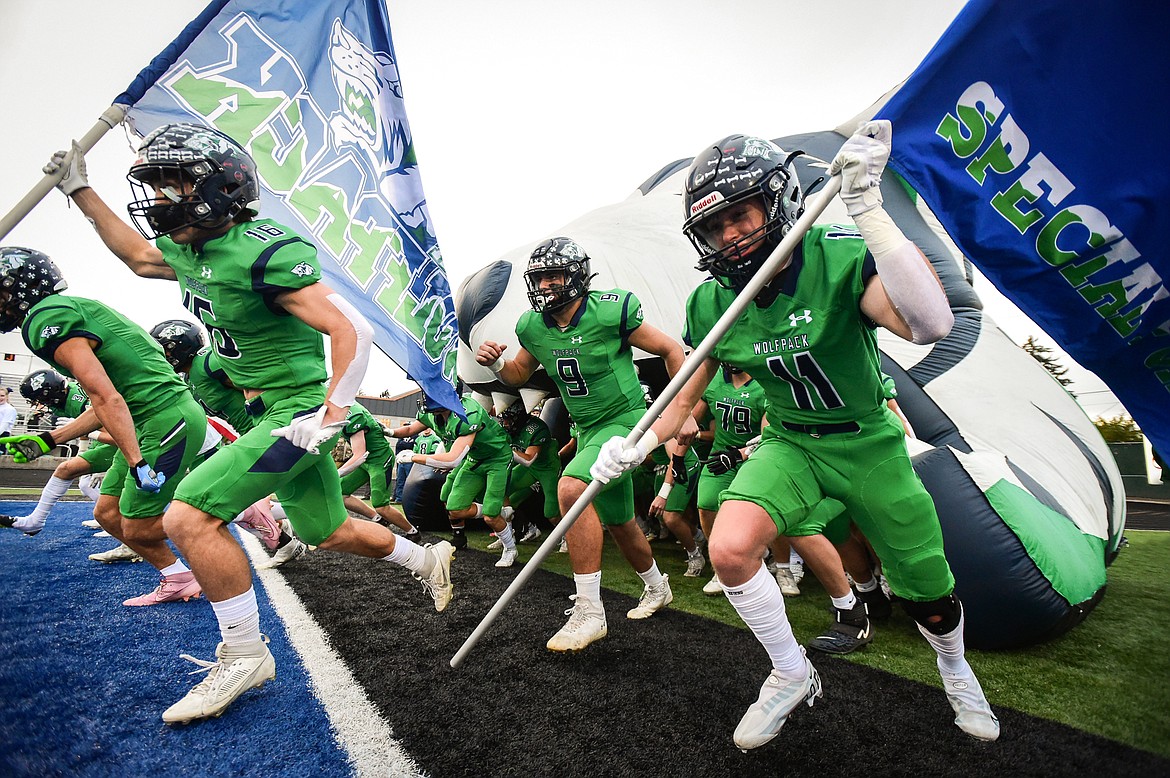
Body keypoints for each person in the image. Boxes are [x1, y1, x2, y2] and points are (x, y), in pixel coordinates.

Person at [590, 124, 999, 748]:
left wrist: (870, 211)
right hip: (790, 442)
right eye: (714, 226)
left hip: (867, 443)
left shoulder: (837, 255)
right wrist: (637, 446)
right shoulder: (713, 301)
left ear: (776, 200)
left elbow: (931, 322)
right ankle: (790, 671)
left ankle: (954, 667)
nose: (729, 236)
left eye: (739, 215)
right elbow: (684, 396)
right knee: (729, 548)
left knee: (930, 595)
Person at [43, 123, 454, 724]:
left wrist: (332, 415)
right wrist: (80, 191)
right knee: (326, 530)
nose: (157, 198)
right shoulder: (193, 248)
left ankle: (243, 652)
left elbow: (351, 331)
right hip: (270, 411)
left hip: (298, 415)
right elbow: (135, 256)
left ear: (215, 188)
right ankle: (428, 561)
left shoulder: (263, 249)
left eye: (170, 183)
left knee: (188, 514)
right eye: (153, 184)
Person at [476, 236, 691, 651]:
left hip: (626, 419)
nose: (545, 286)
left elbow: (670, 350)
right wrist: (498, 363)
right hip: (586, 427)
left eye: (553, 275)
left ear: (576, 274)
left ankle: (590, 610)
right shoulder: (532, 326)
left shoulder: (611, 310)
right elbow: (519, 374)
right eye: (539, 279)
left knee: (571, 488)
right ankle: (657, 586)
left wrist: (680, 411)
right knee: (621, 522)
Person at [0, 246, 211, 608]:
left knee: (139, 526)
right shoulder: (74, 309)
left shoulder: (45, 318)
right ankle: (176, 576)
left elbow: (106, 397)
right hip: (150, 419)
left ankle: (237, 513)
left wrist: (136, 461)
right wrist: (49, 439)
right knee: (108, 513)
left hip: (163, 419)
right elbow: (108, 401)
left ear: (23, 288)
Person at [149, 318, 308, 569]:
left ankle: (283, 539)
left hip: (268, 433)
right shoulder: (188, 377)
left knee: (219, 498)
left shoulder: (208, 362)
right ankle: (281, 531)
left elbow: (259, 381)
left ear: (183, 345)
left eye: (168, 348)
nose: (165, 355)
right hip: (252, 436)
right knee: (231, 500)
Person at [390, 390, 518, 567]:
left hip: (497, 458)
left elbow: (452, 459)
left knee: (490, 516)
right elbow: (411, 429)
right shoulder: (433, 414)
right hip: (474, 459)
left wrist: (414, 457)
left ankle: (510, 548)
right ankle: (499, 512)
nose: (427, 398)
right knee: (455, 508)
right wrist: (388, 431)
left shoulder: (467, 414)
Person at [0, 370, 121, 547]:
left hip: (127, 442)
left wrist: (88, 432)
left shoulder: (80, 400)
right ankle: (35, 521)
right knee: (71, 473)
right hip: (109, 442)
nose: (38, 405)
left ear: (50, 393)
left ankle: (116, 523)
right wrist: (82, 452)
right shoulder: (66, 400)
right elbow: (84, 433)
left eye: (39, 399)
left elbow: (117, 435)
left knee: (85, 481)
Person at [336, 401, 421, 541]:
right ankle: (378, 519)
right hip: (367, 458)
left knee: (381, 505)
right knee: (340, 492)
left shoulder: (353, 415)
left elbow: (359, 456)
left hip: (379, 460)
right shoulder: (343, 407)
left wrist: (335, 474)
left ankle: (412, 532)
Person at [497, 398, 561, 544]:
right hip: (530, 469)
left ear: (519, 417)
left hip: (547, 468)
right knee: (501, 491)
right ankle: (510, 534)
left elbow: (528, 458)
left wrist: (504, 449)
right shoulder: (508, 428)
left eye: (509, 419)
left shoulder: (535, 428)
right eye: (504, 419)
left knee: (551, 512)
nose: (505, 423)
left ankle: (566, 535)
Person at [392, 433, 416, 503]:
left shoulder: (416, 437)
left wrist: (405, 444)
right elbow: (399, 445)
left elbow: (410, 445)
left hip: (410, 460)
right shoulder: (401, 436)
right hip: (401, 460)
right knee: (400, 480)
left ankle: (409, 498)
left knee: (409, 480)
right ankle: (399, 498)